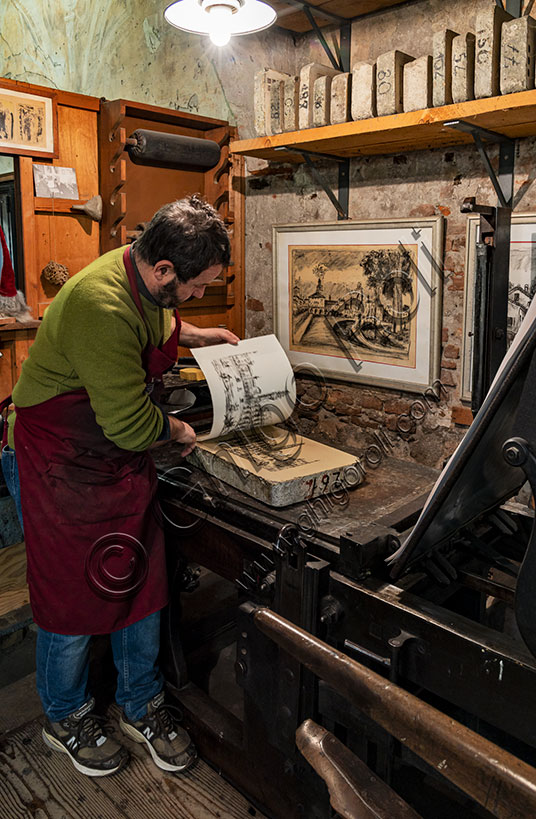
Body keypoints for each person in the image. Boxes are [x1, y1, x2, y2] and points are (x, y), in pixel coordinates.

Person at [4, 195, 239, 777]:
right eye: (193, 287)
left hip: (110, 456)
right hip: (58, 458)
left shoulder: (142, 274)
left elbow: (158, 320)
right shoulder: (98, 303)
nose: (195, 295)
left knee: (141, 579)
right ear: (162, 269)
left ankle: (140, 704)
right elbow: (132, 423)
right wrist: (181, 428)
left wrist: (198, 334)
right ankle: (65, 716)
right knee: (70, 599)